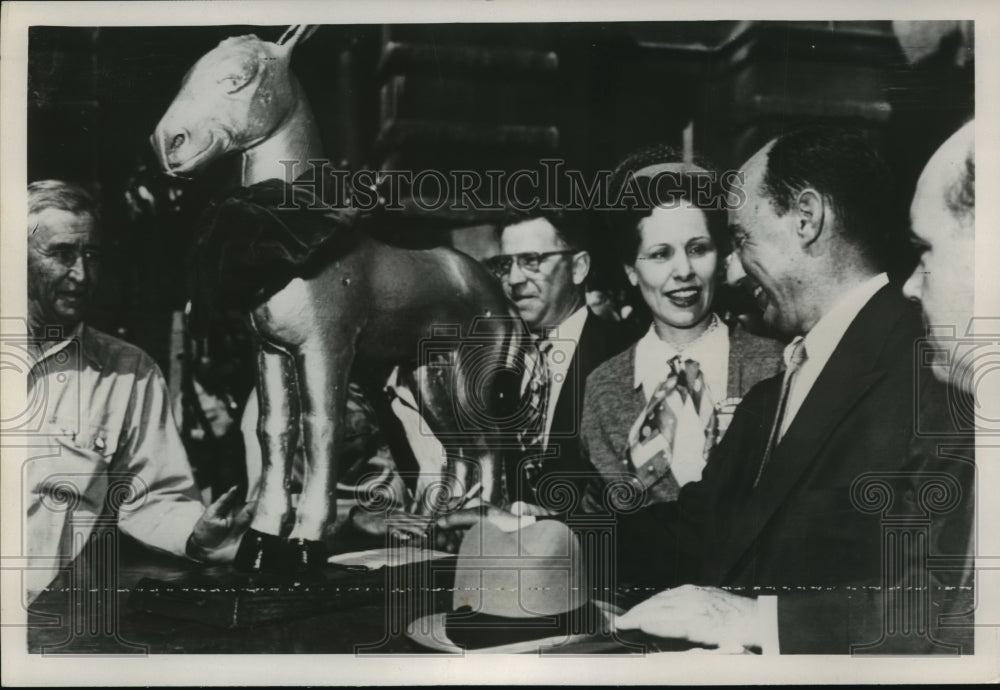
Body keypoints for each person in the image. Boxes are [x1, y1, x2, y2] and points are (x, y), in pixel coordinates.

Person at [443, 127, 974, 653]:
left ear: (806, 220)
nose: (734, 269)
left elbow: (950, 603)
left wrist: (760, 622)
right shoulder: (781, 386)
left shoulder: (935, 367)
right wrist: (554, 532)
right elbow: (695, 532)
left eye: (740, 238)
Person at [24, 180, 250, 599]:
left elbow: (150, 497)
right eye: (61, 254)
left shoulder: (128, 372)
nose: (81, 274)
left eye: (91, 254)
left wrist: (197, 534)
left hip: (54, 619)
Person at [579, 146, 783, 512]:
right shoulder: (602, 388)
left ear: (720, 259)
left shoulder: (777, 365)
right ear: (631, 269)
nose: (684, 271)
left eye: (698, 249)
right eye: (660, 254)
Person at [483, 209, 633, 512]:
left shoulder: (627, 355)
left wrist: (557, 523)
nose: (514, 279)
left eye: (531, 261)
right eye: (505, 264)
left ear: (578, 268)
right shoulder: (495, 365)